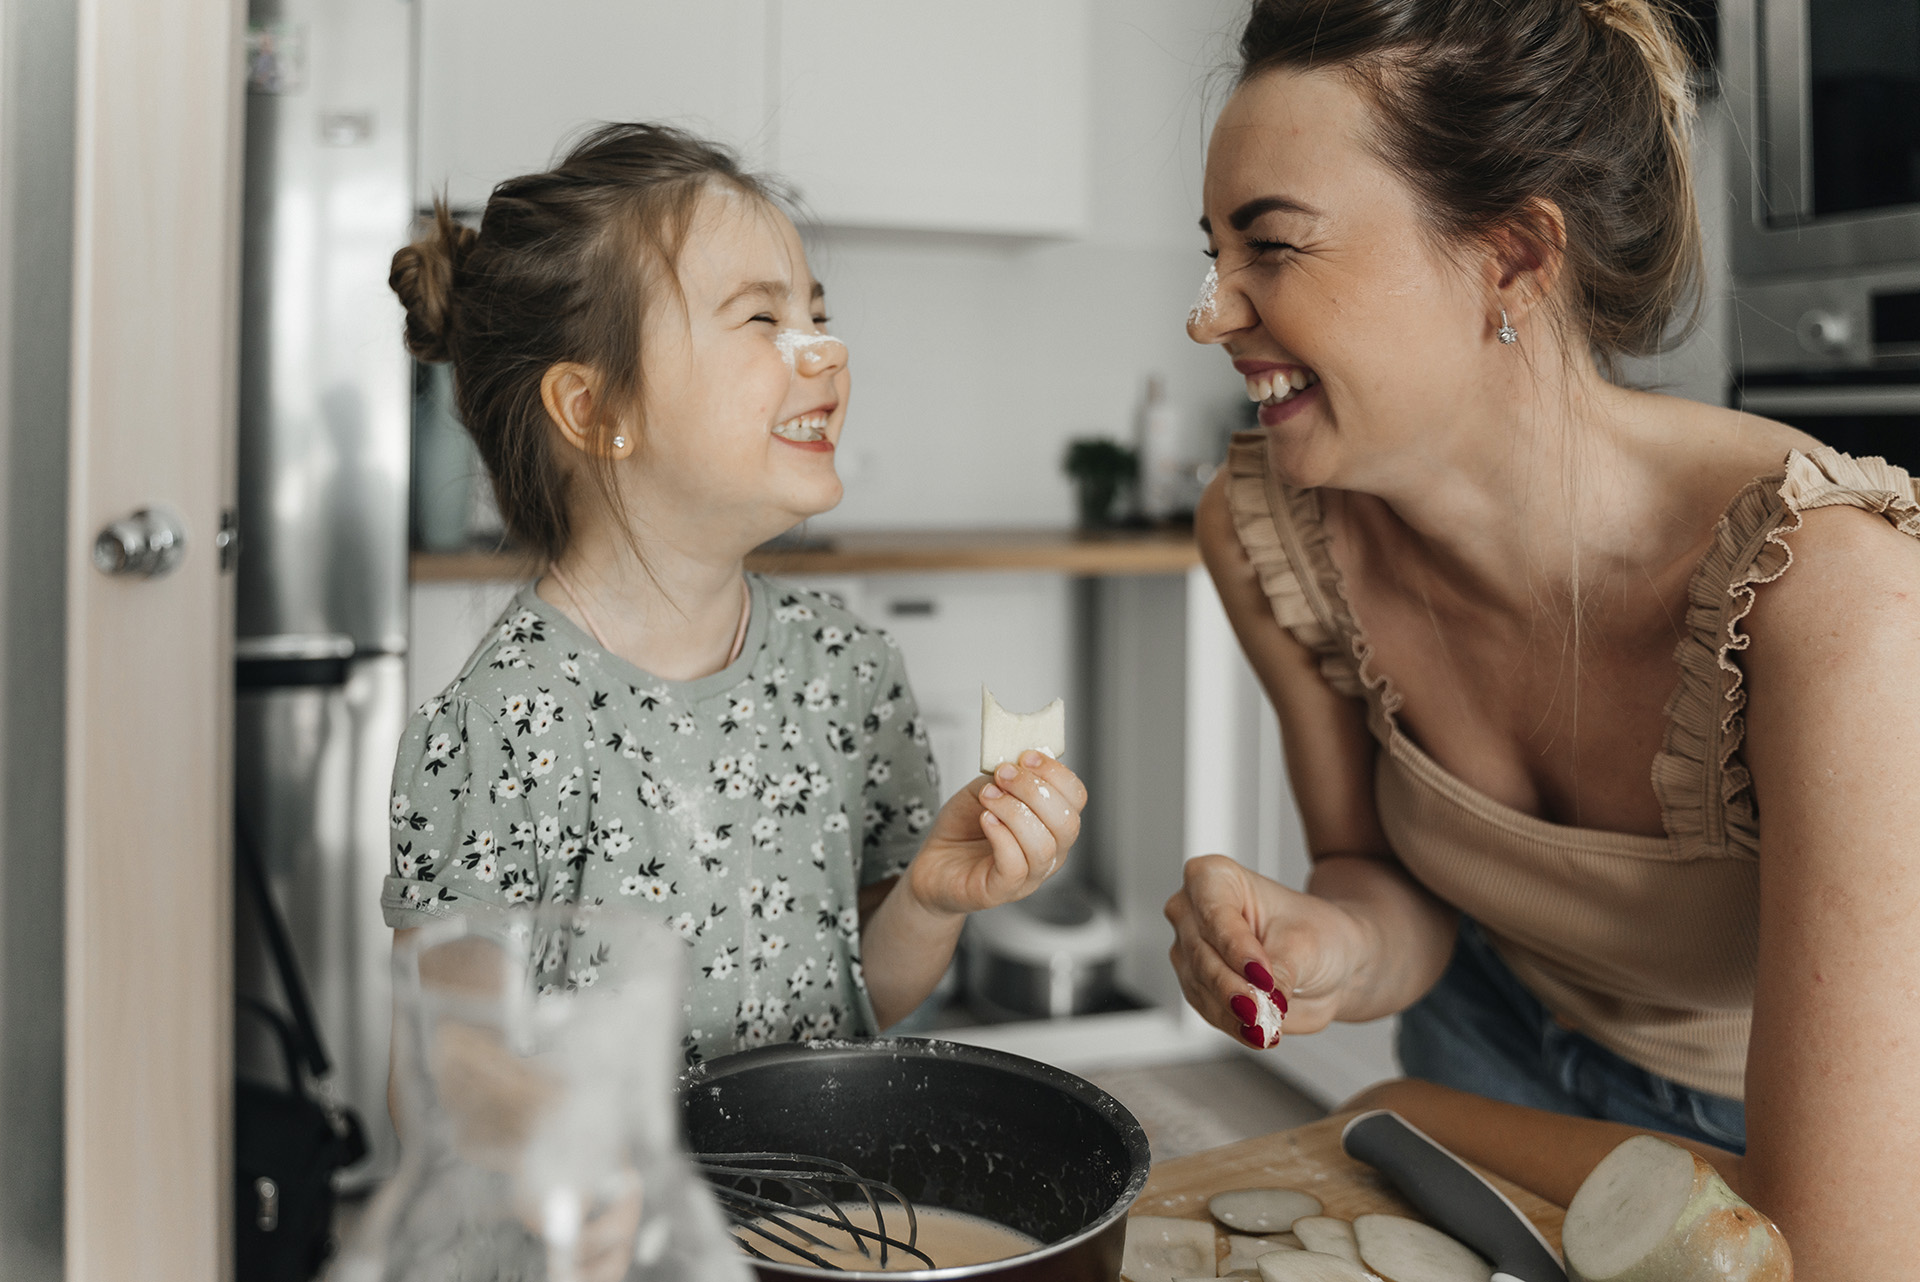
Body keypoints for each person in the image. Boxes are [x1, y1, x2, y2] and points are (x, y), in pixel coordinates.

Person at [1165, 0, 1920, 1273]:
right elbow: (1374, 870)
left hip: (1756, 1150)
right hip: (1481, 1054)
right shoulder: (1264, 533)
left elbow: (1837, 1244)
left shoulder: (1835, 601)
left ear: (1512, 257)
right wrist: (1327, 943)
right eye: (1213, 254)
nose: (1209, 314)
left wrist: (1393, 1115)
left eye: (1273, 248)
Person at [384, 123, 1085, 1066]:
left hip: (824, 1215)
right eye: (764, 319)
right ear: (596, 411)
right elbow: (445, 1091)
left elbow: (859, 998)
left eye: (819, 314)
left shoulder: (846, 668)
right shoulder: (498, 729)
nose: (826, 352)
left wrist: (928, 898)